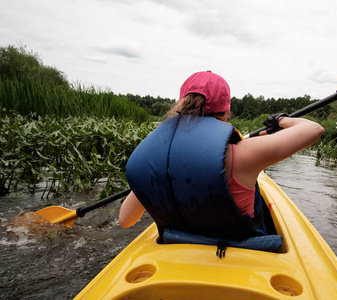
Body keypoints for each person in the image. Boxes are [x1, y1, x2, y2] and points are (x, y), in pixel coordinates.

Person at [119, 71, 324, 240]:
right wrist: (280, 120)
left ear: (181, 106)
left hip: (177, 256)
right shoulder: (244, 154)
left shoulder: (157, 161)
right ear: (226, 114)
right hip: (238, 258)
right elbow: (313, 129)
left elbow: (125, 220)